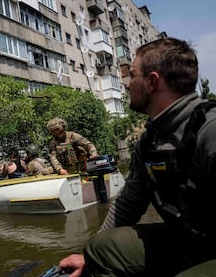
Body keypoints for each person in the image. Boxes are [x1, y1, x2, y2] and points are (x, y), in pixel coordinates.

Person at [58, 37, 216, 277]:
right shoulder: (150, 139)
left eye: (132, 75)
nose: (126, 84)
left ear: (152, 81)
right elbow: (127, 204)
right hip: (190, 239)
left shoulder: (211, 131)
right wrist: (89, 260)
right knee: (100, 249)